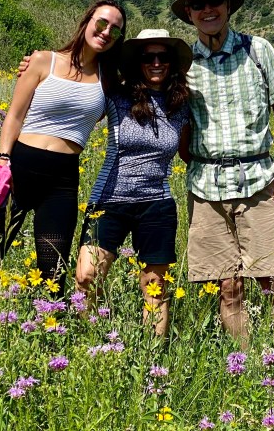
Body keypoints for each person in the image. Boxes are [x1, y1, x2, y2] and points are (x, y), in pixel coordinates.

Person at [171, 0, 274, 347]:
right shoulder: (183, 63)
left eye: (215, 1)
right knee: (227, 286)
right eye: (198, 4)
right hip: (205, 188)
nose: (207, 10)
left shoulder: (258, 50)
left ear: (228, 6)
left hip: (258, 182)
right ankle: (246, 362)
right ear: (189, 14)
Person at [0, 0, 127, 294]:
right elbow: (15, 115)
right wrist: (2, 159)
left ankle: (49, 321)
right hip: (20, 167)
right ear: (87, 21)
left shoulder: (109, 81)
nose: (106, 32)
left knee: (53, 270)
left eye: (115, 30)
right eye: (102, 23)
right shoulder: (42, 61)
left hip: (63, 180)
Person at [75, 29, 192, 336]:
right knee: (86, 277)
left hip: (157, 204)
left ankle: (151, 358)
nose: (156, 63)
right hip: (109, 200)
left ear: (172, 63)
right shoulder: (117, 96)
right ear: (137, 62)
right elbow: (80, 94)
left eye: (163, 57)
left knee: (155, 288)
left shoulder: (181, 105)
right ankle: (93, 343)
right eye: (148, 57)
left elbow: (188, 152)